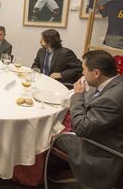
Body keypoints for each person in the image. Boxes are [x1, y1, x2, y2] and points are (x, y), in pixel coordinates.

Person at [50, 50, 123, 188]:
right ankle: (67, 169)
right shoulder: (115, 82)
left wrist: (77, 96)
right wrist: (83, 93)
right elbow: (95, 100)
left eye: (84, 70)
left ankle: (56, 174)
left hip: (104, 151)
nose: (82, 74)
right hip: (107, 133)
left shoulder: (112, 100)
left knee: (51, 134)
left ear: (96, 73)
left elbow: (81, 128)